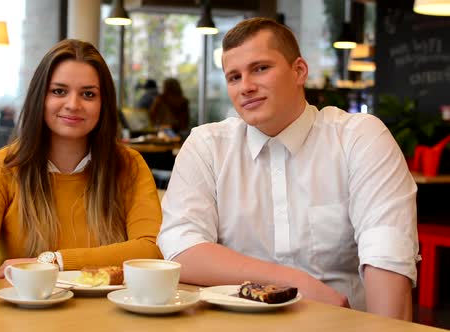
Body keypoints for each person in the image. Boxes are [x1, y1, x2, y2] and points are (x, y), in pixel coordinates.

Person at [157, 18, 418, 320]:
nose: (246, 87)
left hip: (340, 326)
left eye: (260, 68)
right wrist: (295, 282)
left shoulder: (358, 137)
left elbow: (387, 254)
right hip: (236, 326)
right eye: (234, 77)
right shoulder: (207, 145)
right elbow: (181, 249)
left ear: (299, 71)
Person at [0, 39, 163, 309]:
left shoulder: (130, 165)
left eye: (88, 94)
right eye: (59, 91)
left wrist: (54, 261)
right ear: (39, 97)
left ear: (104, 104)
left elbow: (151, 249)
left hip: (112, 314)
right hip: (26, 317)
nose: (73, 104)